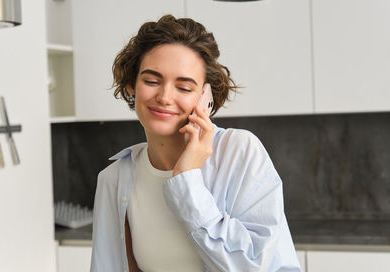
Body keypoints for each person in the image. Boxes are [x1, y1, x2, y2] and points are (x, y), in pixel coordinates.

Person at [90, 14, 301, 272]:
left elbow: (250, 266)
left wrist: (187, 180)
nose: (165, 97)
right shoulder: (114, 179)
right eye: (151, 81)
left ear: (206, 97)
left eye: (184, 87)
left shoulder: (239, 152)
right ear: (132, 85)